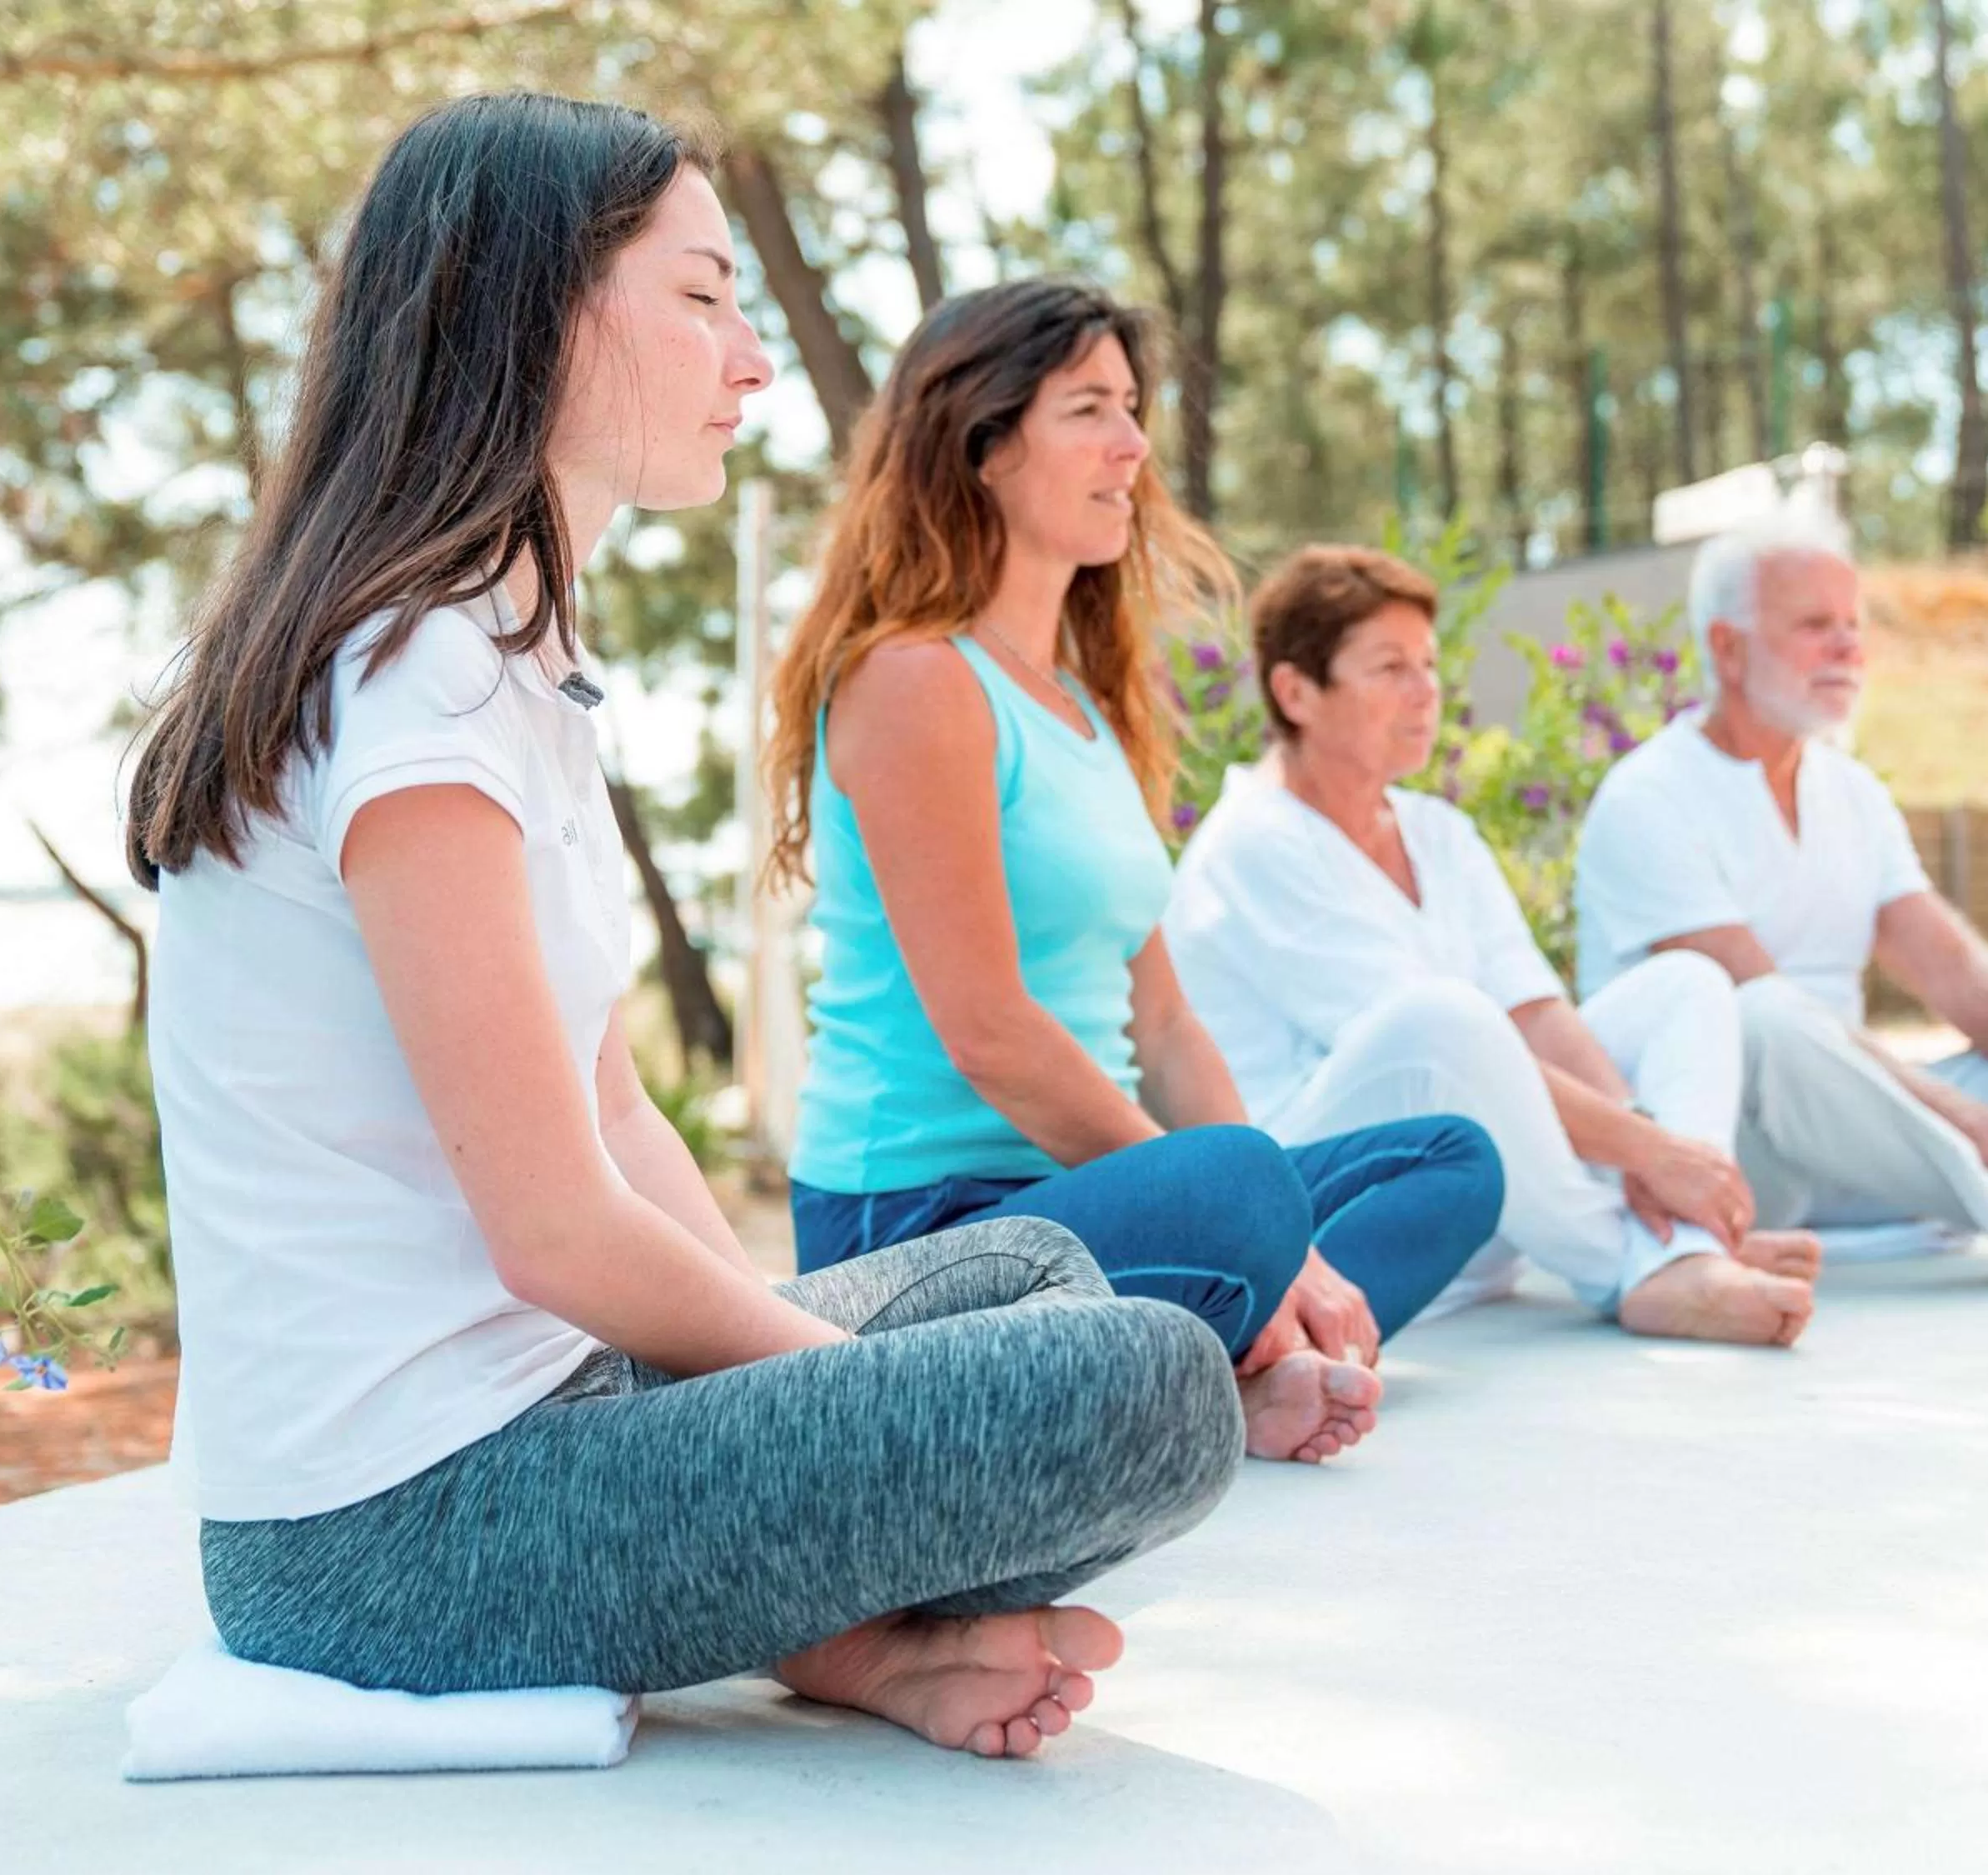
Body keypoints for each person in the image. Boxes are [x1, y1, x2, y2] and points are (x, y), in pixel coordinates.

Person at [127, 94, 1244, 1761]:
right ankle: (845, 1625)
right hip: (389, 1539)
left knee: (1035, 1268)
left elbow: (621, 1116)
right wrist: (828, 1402)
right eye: (704, 295)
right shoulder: (411, 681)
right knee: (1146, 1386)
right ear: (537, 310)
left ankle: (841, 1639)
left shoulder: (508, 663)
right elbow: (556, 1235)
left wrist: (824, 1408)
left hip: (551, 1416)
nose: (751, 357)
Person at [764, 282, 1506, 1462]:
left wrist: (1280, 1233)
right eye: (1091, 410)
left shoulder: (1082, 710)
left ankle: (1199, 1380)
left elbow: (1162, 1024)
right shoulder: (913, 681)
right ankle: (1216, 1368)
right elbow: (989, 1030)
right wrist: (1266, 1228)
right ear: (986, 444)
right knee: (1239, 1193)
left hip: (1080, 1199)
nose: (1134, 446)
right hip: (917, 1223)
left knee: (1448, 1156)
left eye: (1134, 408)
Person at [1163, 545, 1820, 1348]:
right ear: (1296, 691)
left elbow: (1536, 1013)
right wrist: (1653, 1153)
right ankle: (1633, 1267)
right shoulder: (1258, 844)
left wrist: (1653, 1154)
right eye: (1390, 668)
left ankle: (1680, 1244)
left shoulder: (1438, 832)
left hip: (1498, 1194)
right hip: (1339, 1200)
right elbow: (1445, 1048)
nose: (1426, 691)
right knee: (1443, 1019)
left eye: (1431, 665)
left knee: (1685, 984)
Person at [1573, 503, 1988, 1301]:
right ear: (1727, 646)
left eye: (1854, 623)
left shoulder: (1852, 793)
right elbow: (1769, 1022)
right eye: (1816, 624)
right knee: (1764, 1016)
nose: (1849, 646)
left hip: (1882, 1152)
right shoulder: (1649, 797)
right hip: (1744, 1165)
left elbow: (1953, 969)